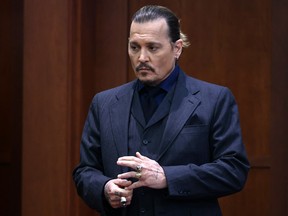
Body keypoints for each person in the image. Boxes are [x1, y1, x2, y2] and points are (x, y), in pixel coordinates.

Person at [73, 5, 250, 216]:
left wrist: (166, 176)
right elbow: (85, 171)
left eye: (152, 48)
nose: (142, 58)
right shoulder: (104, 103)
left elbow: (233, 170)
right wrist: (104, 188)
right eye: (134, 47)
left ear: (177, 48)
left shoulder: (215, 99)